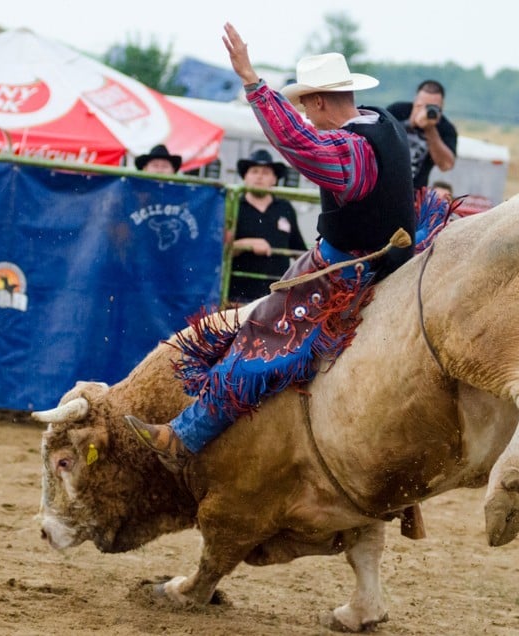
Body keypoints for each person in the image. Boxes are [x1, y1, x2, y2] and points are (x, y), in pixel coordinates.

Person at [125, 23, 414, 471]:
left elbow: (300, 143)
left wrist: (253, 83)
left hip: (351, 267)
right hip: (382, 254)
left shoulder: (350, 149)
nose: (306, 116)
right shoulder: (383, 123)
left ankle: (185, 436)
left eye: (306, 106)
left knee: (266, 341)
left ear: (319, 100)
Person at [228, 148, 307, 304]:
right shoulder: (233, 206)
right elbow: (219, 250)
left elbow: (297, 249)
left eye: (265, 172)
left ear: (274, 179)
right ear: (245, 177)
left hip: (275, 296)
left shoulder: (285, 207)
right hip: (235, 296)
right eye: (254, 171)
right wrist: (247, 244)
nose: (259, 176)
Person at [386, 80, 458, 189]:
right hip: (383, 184)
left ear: (441, 108)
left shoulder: (445, 128)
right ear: (415, 101)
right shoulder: (397, 111)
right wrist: (410, 123)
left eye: (432, 108)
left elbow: (446, 165)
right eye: (421, 106)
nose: (425, 111)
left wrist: (430, 129)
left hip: (413, 194)